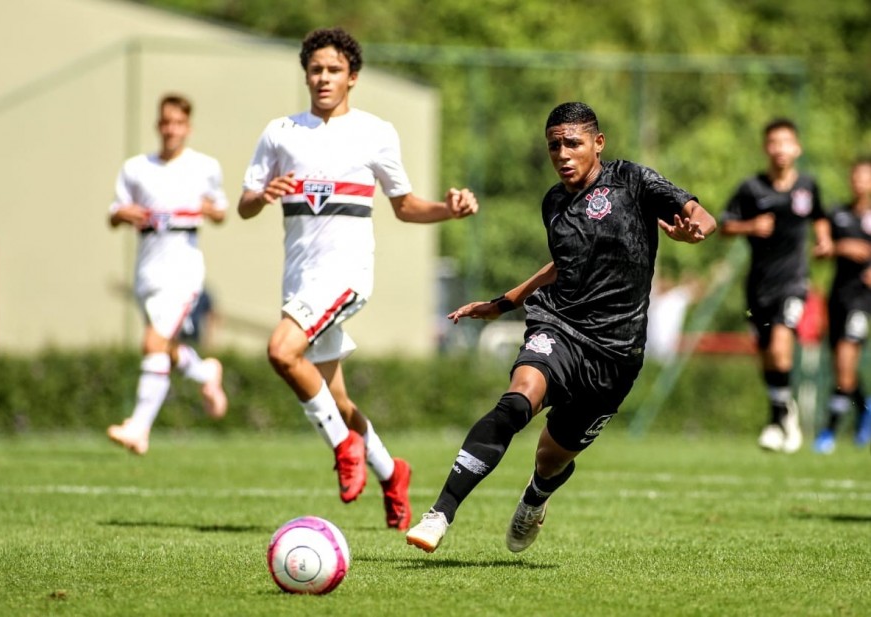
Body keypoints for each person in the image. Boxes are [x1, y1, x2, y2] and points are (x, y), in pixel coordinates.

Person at [405, 101, 716, 553]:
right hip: (561, 324)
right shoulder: (553, 202)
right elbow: (561, 266)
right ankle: (440, 513)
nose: (563, 154)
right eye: (554, 146)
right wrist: (506, 302)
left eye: (573, 143)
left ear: (597, 143)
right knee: (515, 403)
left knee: (551, 458)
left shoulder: (633, 181)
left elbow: (700, 213)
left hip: (617, 353)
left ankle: (535, 498)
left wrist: (695, 230)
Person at [237, 27, 478, 531]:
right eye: (316, 69)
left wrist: (448, 211)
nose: (324, 78)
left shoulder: (375, 132)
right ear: (306, 74)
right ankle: (393, 473)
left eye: (334, 70)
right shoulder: (281, 132)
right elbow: (244, 205)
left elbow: (406, 207)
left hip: (346, 277)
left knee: (282, 352)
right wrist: (262, 196)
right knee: (337, 399)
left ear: (353, 78)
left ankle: (344, 447)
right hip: (300, 282)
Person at [106, 93, 229, 455]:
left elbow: (221, 211)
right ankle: (206, 373)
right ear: (158, 124)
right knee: (164, 349)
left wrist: (208, 209)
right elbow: (114, 213)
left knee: (152, 343)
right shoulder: (136, 168)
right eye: (166, 122)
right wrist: (122, 215)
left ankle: (139, 428)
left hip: (183, 271)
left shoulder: (204, 166)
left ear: (188, 127)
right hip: (147, 268)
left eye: (178, 123)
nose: (171, 129)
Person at [720, 118, 833, 454]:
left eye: (786, 142)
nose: (780, 148)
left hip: (794, 282)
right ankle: (783, 413)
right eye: (773, 142)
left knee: (782, 343)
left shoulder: (807, 186)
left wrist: (824, 240)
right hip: (759, 286)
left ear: (796, 148)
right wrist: (750, 226)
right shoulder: (752, 188)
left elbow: (821, 216)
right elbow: (725, 224)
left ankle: (778, 418)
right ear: (766, 147)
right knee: (768, 354)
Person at [814, 158, 871, 453]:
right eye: (856, 176)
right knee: (841, 368)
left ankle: (829, 431)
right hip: (837, 298)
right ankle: (865, 410)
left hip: (862, 302)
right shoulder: (839, 215)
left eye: (865, 176)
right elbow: (820, 251)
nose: (859, 181)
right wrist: (840, 247)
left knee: (845, 365)